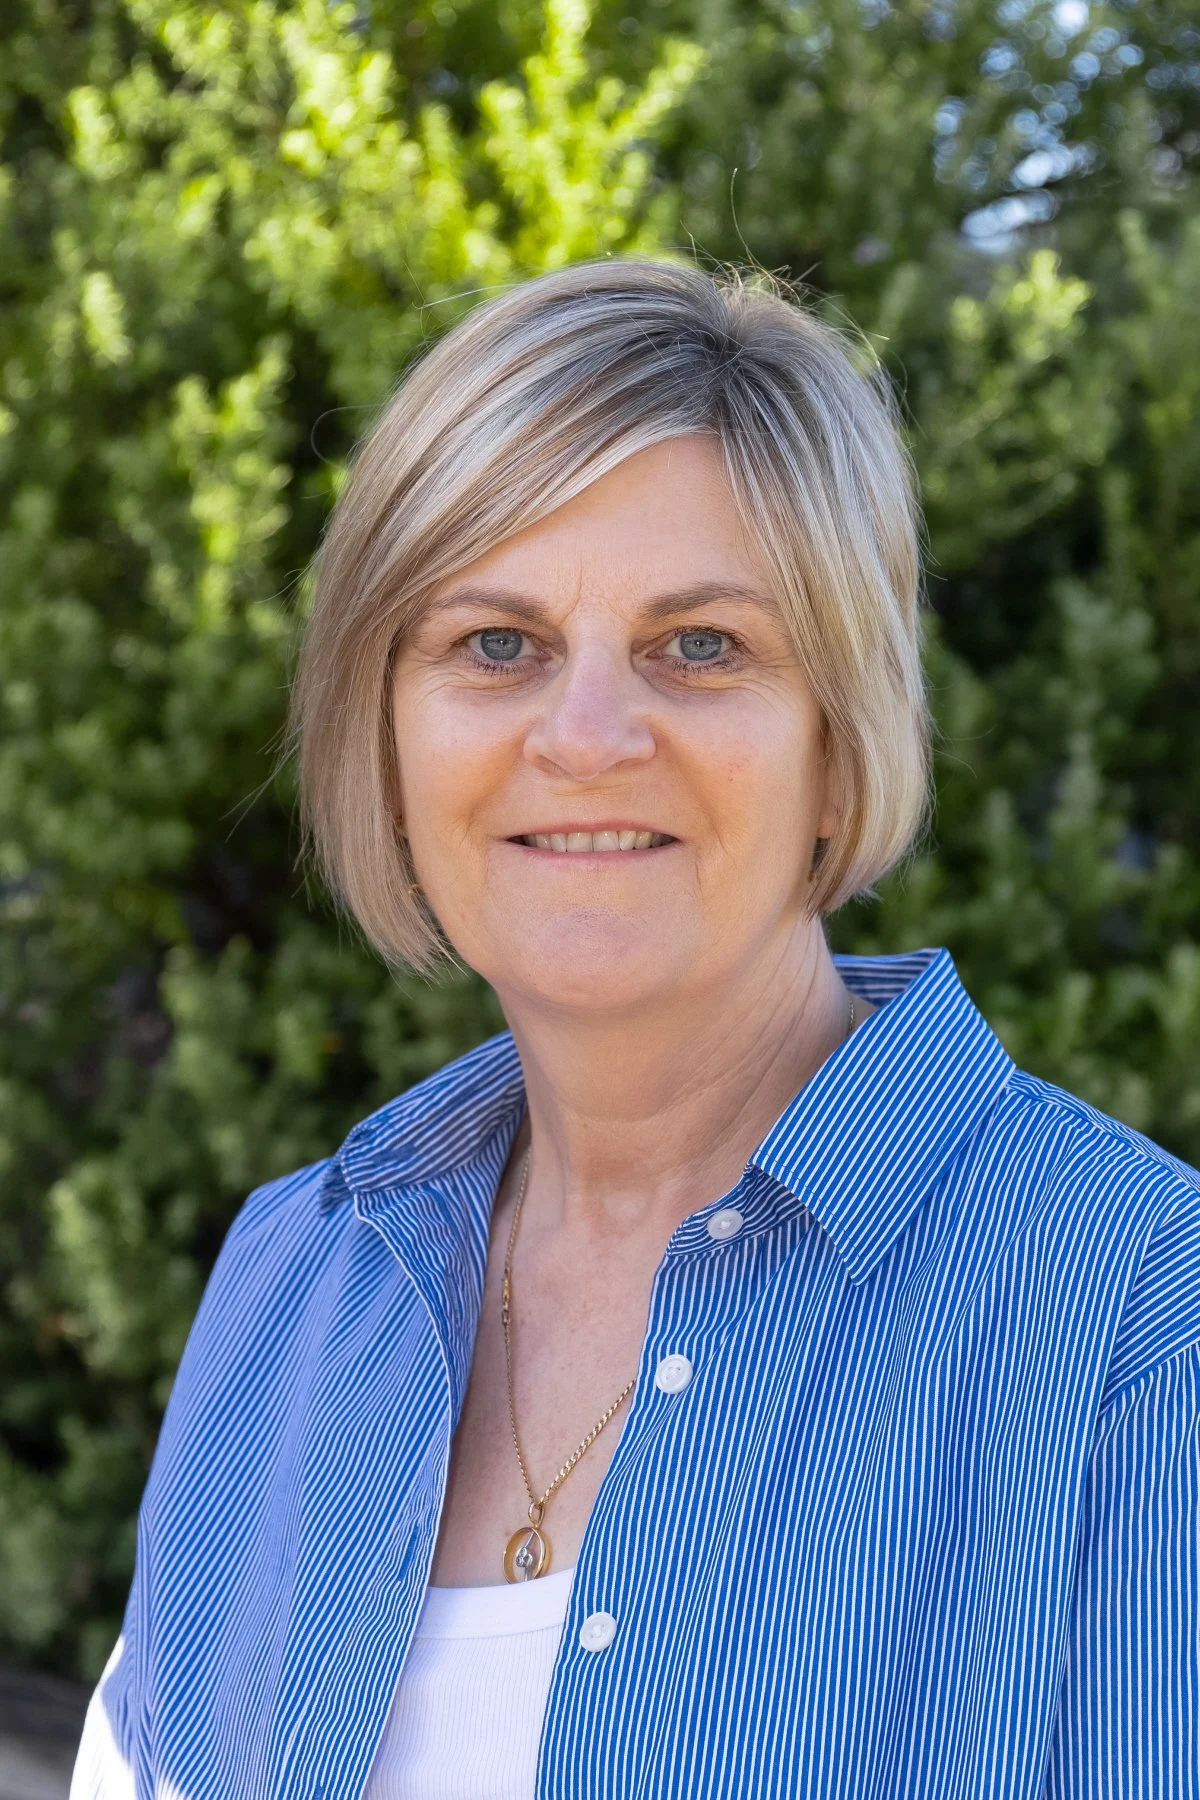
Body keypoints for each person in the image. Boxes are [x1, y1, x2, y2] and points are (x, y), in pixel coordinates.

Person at [71, 259, 1198, 1800]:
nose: (587, 738)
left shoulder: (1138, 1313)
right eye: (495, 643)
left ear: (839, 728)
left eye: (703, 646)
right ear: (384, 727)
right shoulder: (296, 1278)